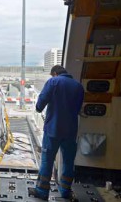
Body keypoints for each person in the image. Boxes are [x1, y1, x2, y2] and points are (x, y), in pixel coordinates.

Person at [28, 65, 84, 200]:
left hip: (53, 129)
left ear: (54, 73)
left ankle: (42, 191)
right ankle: (65, 191)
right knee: (68, 161)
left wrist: (38, 108)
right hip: (71, 131)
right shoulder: (78, 86)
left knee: (47, 160)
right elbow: (77, 109)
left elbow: (40, 104)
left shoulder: (54, 81)